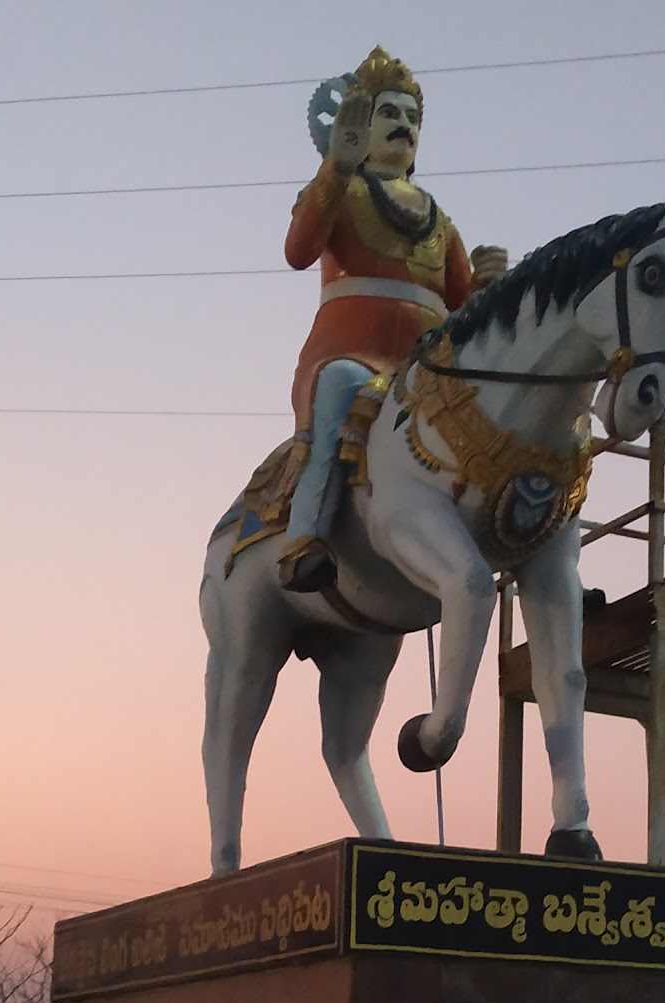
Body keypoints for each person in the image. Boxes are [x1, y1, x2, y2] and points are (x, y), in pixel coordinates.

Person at [277, 45, 507, 592]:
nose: (404, 126)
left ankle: (523, 547)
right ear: (358, 127)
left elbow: (460, 308)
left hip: (425, 368)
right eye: (390, 113)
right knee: (338, 389)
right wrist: (335, 167)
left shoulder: (438, 220)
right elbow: (298, 250)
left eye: (412, 118)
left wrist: (488, 289)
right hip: (350, 355)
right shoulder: (342, 191)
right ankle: (302, 537)